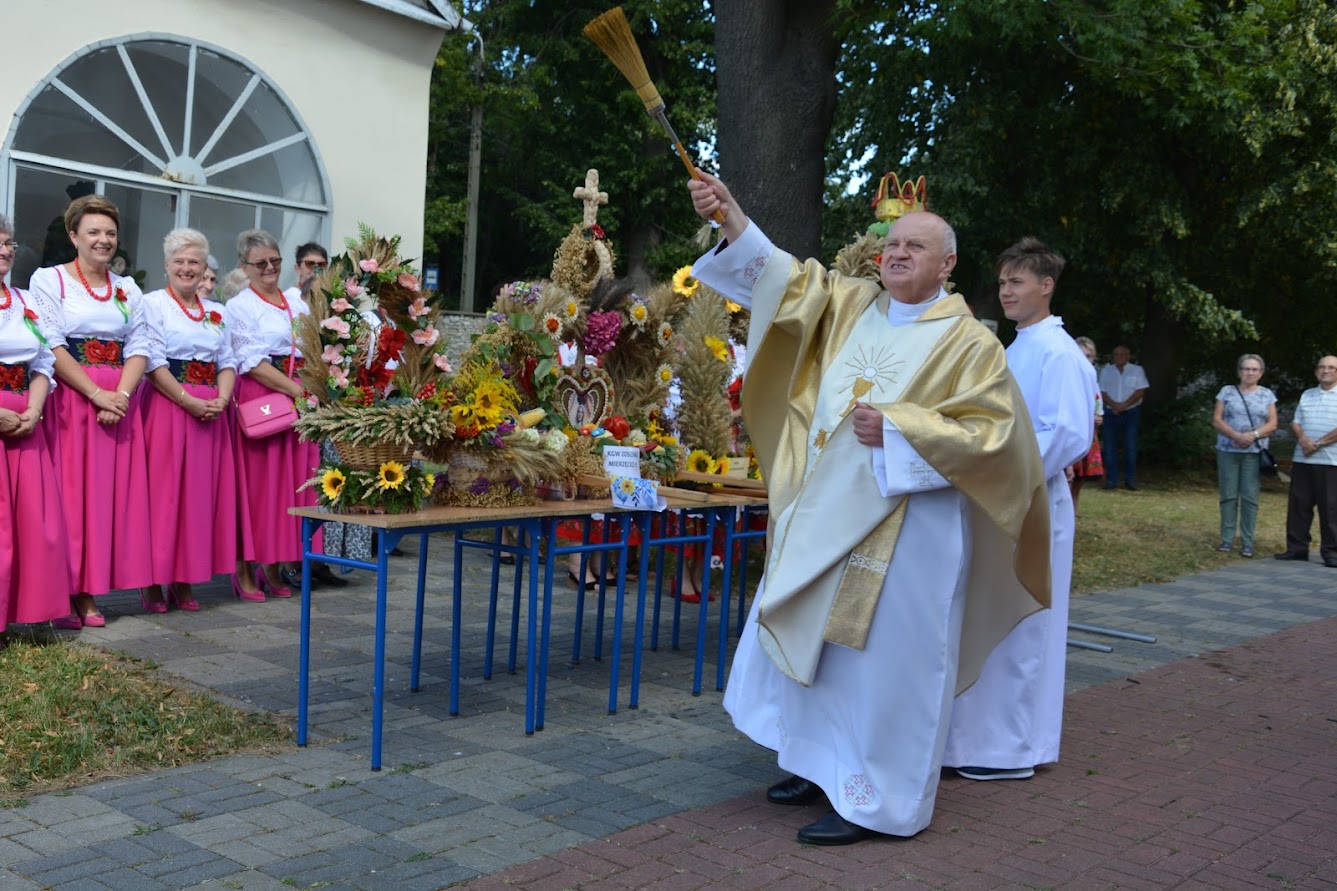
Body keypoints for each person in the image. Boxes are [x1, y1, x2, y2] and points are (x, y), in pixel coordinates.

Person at [689, 170, 1050, 845]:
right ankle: (815, 763)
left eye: (915, 246)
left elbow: (997, 442)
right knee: (819, 650)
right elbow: (781, 277)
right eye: (890, 243)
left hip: (906, 530)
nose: (895, 252)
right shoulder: (850, 304)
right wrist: (733, 216)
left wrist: (901, 428)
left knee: (881, 666)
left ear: (947, 264)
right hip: (820, 514)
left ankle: (874, 798)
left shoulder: (969, 344)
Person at [943, 237, 1096, 782]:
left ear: (1046, 286)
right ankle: (973, 740)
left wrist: (1003, 472)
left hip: (1031, 502)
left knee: (1024, 626)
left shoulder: (1059, 354)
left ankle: (1011, 747)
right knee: (987, 617)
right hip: (995, 498)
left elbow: (1070, 434)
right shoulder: (1014, 348)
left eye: (1018, 282)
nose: (1006, 291)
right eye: (1003, 282)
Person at [28, 195, 154, 626]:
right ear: (73, 236)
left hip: (120, 400)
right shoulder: (50, 281)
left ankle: (93, 587)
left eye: (110, 233)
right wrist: (95, 395)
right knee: (69, 497)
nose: (103, 240)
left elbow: (140, 345)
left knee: (106, 499)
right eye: (94, 232)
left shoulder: (127, 288)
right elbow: (50, 344)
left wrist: (118, 395)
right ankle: (67, 592)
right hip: (72, 400)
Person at [139, 229, 238, 611]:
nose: (186, 268)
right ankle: (151, 581)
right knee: (162, 497)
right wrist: (186, 400)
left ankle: (184, 580)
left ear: (204, 268)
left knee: (196, 498)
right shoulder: (152, 304)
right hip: (166, 405)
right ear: (166, 266)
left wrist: (222, 399)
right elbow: (151, 362)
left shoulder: (217, 312)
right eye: (179, 261)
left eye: (193, 262)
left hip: (210, 411)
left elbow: (227, 360)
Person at [227, 229, 319, 600]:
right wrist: (297, 391)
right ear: (245, 267)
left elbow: (314, 346)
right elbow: (251, 363)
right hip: (264, 395)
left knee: (290, 483)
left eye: (275, 261)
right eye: (260, 263)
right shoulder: (240, 306)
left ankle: (275, 564)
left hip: (299, 395)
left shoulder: (297, 302)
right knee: (257, 486)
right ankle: (244, 568)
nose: (269, 268)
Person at [0, 214, 72, 630]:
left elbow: (43, 362)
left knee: (30, 524)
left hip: (26, 420)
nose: (5, 251)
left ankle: (18, 613)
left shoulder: (27, 302)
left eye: (9, 243)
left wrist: (34, 411)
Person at [1212, 354, 1277, 558]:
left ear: (1261, 373)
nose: (1250, 373)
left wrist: (1252, 435)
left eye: (1254, 369)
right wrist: (1236, 435)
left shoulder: (1267, 395)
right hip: (1228, 450)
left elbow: (1273, 424)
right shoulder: (1227, 391)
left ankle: (1247, 542)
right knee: (1228, 495)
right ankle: (1227, 539)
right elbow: (1216, 419)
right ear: (1239, 371)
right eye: (1246, 369)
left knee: (1250, 497)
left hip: (1253, 452)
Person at [1274, 355, 1337, 567]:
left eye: (1331, 367)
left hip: (1330, 461)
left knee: (1330, 508)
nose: (1325, 371)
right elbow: (1296, 422)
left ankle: (1331, 552)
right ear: (1316, 371)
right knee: (1299, 505)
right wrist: (1302, 439)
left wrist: (1317, 444)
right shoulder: (1307, 394)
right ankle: (1297, 548)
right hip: (1302, 458)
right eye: (1321, 367)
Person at [1098, 344, 1149, 490]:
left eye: (1122, 354)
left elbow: (1140, 391)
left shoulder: (1137, 370)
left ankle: (1130, 480)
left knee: (1130, 447)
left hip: (1131, 413)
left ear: (1128, 356)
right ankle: (1111, 480)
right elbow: (1102, 391)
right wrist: (1114, 405)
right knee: (1109, 448)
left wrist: (1124, 405)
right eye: (1116, 354)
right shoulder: (1106, 371)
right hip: (1111, 412)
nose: (1118, 357)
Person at [1068, 336, 1104, 509]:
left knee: (1079, 479)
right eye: (1082, 355)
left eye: (1089, 356)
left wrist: (1098, 416)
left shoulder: (1092, 376)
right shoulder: (1068, 376)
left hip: (1087, 432)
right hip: (1070, 432)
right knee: (1067, 477)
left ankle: (1073, 512)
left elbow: (1097, 402)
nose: (1086, 360)